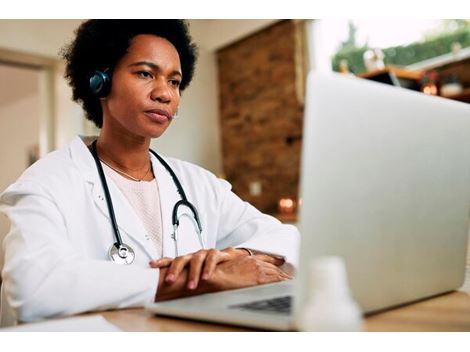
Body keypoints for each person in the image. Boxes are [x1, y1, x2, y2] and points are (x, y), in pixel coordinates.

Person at [0, 20, 299, 326]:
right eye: (145, 73)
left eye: (174, 81)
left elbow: (288, 239)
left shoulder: (196, 183)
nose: (165, 94)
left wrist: (238, 259)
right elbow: (33, 286)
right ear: (99, 81)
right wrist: (201, 280)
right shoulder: (49, 181)